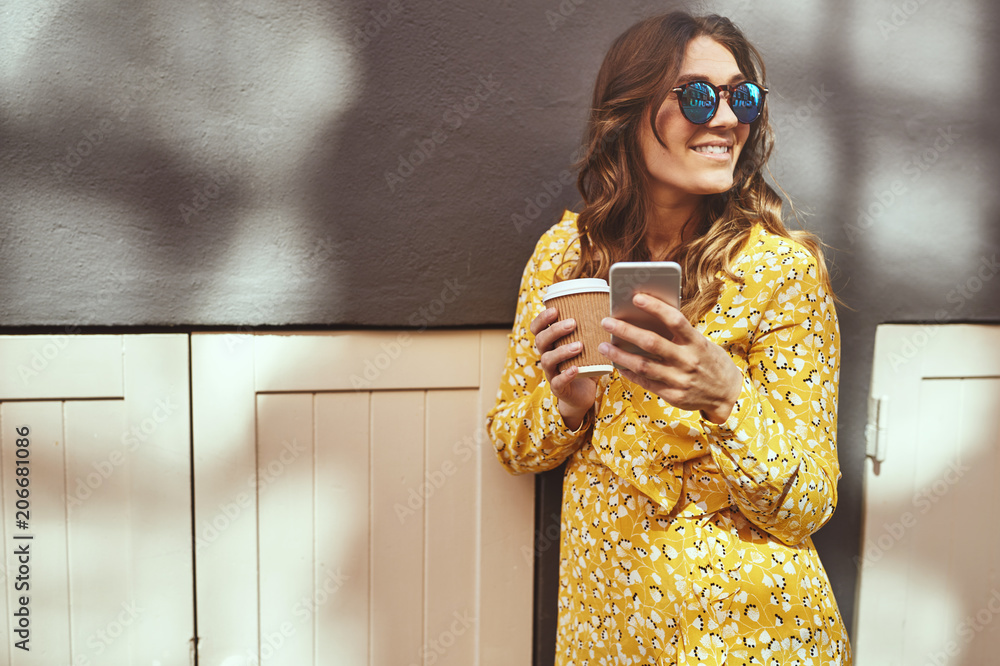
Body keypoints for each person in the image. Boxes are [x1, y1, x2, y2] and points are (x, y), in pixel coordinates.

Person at [486, 11, 851, 666]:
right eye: (696, 95)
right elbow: (513, 444)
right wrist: (567, 404)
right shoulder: (564, 258)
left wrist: (728, 397)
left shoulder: (782, 272)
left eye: (741, 96)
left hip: (749, 636)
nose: (726, 118)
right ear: (628, 113)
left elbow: (809, 506)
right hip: (609, 635)